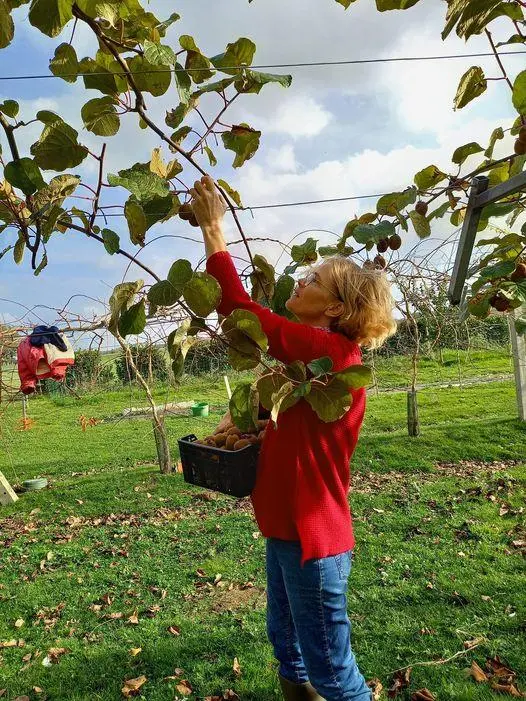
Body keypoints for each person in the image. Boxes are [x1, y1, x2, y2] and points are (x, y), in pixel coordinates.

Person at [190, 176, 397, 701]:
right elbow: (275, 416)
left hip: (312, 539)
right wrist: (247, 425)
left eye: (314, 279)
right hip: (285, 530)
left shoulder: (331, 353)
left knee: (332, 670)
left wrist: (213, 227)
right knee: (289, 646)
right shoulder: (304, 369)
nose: (300, 281)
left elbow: (238, 309)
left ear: (336, 309)